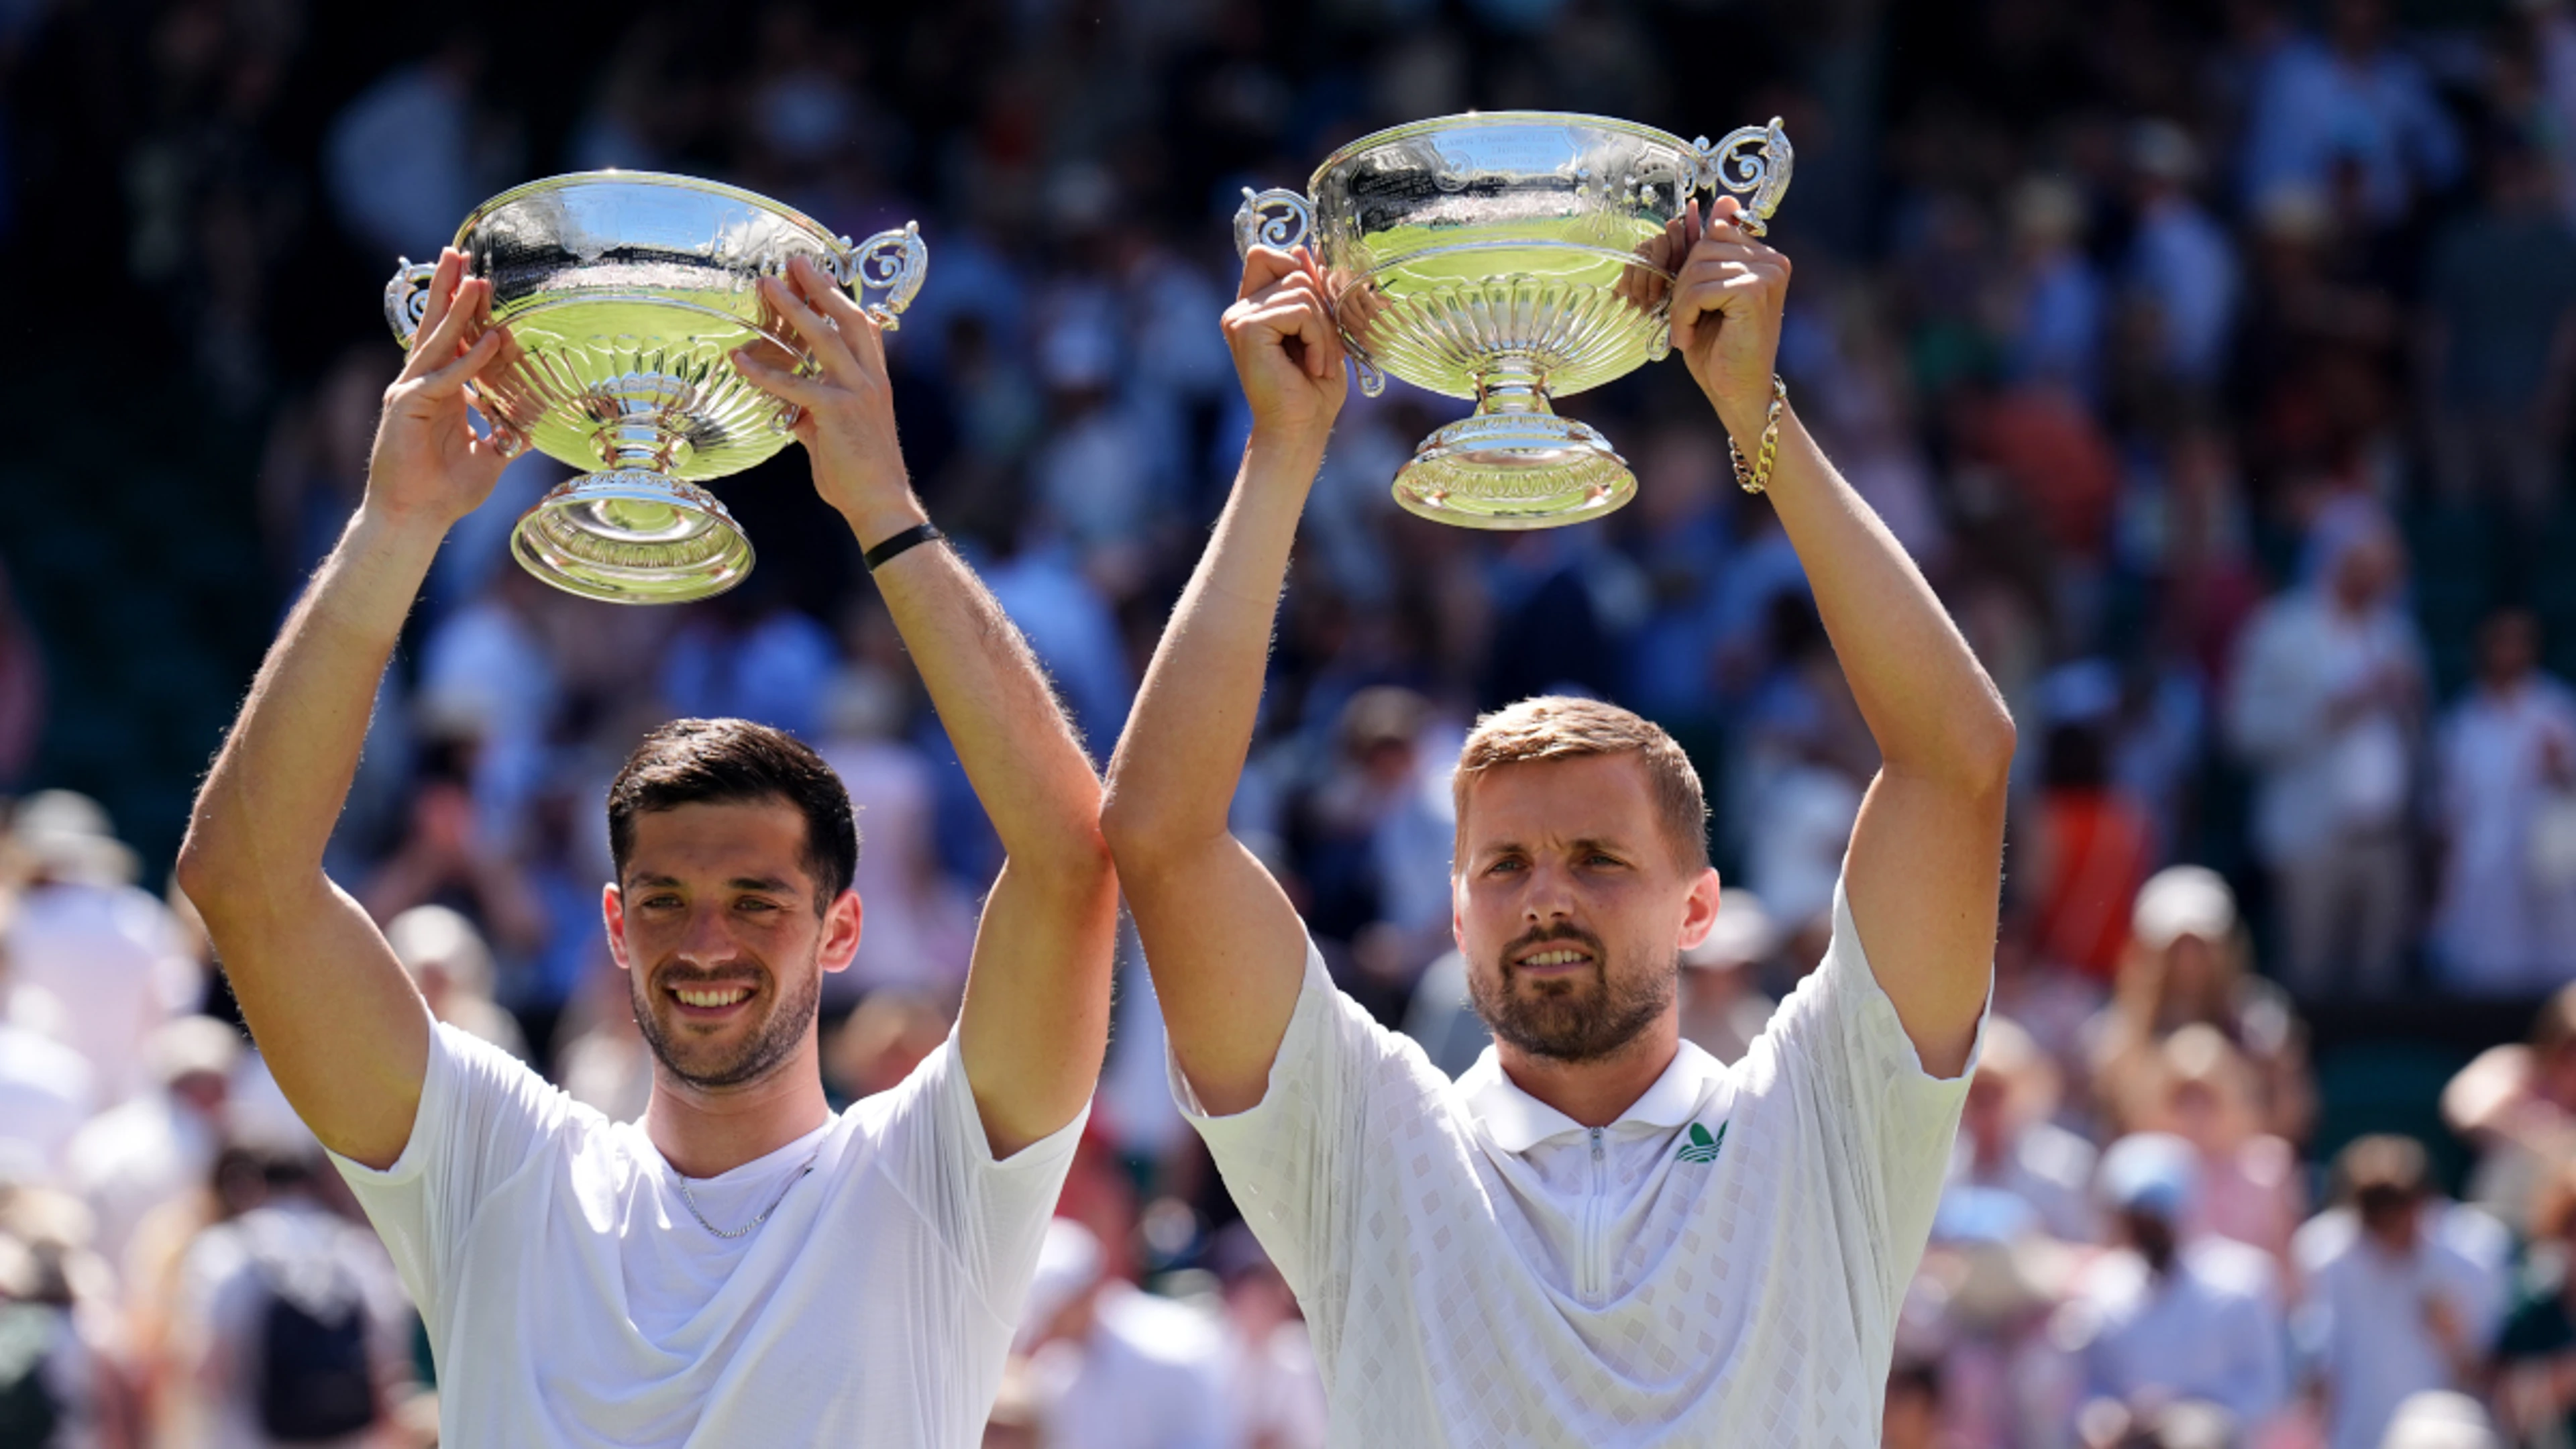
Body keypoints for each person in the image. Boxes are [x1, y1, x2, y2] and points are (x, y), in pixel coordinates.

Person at [1100, 195, 2015, 1442]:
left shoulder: (1830, 1124)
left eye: (1597, 858)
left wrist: (1759, 413)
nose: (1545, 894)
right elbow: (1158, 836)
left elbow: (1956, 765)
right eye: (1506, 864)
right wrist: (1284, 451)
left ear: (1701, 903)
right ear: (1454, 908)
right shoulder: (1369, 1146)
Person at [174, 249, 1118, 1446]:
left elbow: (1072, 863)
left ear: (843, 929)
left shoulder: (934, 1179)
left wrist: (885, 506)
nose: (706, 938)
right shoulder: (498, 1169)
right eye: (664, 899)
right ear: (614, 926)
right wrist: (394, 526)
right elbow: (241, 886)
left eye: (759, 900)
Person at [2292, 1135, 2507, 1449]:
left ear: (2422, 1203)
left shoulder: (2474, 1250)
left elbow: (2491, 1372)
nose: (2388, 1229)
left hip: (2450, 1434)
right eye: (2377, 1217)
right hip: (2355, 1433)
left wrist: (2454, 1336)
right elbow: (2317, 1364)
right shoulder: (2323, 1252)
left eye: (2397, 1212)